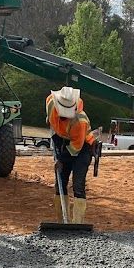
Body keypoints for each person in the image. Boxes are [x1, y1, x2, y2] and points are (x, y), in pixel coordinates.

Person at [45, 85, 96, 224]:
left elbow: (76, 147)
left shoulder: (80, 121)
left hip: (82, 148)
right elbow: (52, 123)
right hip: (63, 142)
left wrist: (60, 159)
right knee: (60, 182)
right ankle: (62, 221)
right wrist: (56, 142)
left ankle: (77, 223)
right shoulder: (50, 102)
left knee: (78, 185)